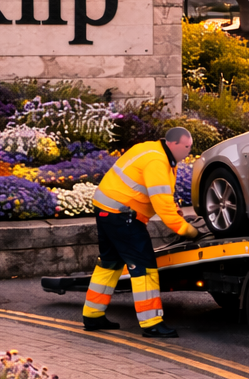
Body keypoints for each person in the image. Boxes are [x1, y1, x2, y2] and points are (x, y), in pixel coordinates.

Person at [82, 126, 199, 337]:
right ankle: (152, 323)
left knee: (109, 263)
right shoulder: (157, 161)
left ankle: (92, 315)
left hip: (108, 210)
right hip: (123, 215)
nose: (188, 152)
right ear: (173, 144)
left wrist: (174, 208)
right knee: (143, 267)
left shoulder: (154, 150)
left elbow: (158, 192)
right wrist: (187, 230)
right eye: (186, 147)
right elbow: (161, 203)